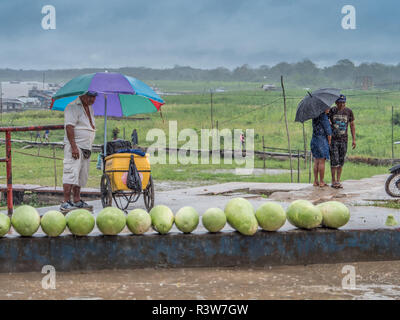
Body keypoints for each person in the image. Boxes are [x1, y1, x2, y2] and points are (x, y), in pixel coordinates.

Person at [60, 91, 97, 213]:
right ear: (83, 95)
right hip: (75, 146)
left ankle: (77, 199)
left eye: (94, 97)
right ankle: (65, 202)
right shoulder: (72, 107)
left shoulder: (89, 108)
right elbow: (69, 127)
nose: (92, 99)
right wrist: (74, 147)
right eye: (90, 96)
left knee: (81, 175)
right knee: (71, 173)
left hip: (86, 147)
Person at [328, 95, 356, 189]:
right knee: (334, 161)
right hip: (334, 140)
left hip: (344, 140)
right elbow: (327, 121)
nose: (342, 104)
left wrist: (354, 139)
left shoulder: (349, 111)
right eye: (340, 102)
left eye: (343, 102)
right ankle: (333, 181)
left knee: (341, 161)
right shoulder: (332, 111)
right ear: (336, 103)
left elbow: (352, 125)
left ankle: (338, 181)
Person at [310, 109, 332, 187]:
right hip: (322, 140)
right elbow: (328, 132)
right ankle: (321, 181)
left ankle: (315, 181)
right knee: (322, 161)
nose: (329, 109)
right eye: (328, 107)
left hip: (314, 139)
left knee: (316, 161)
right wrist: (329, 142)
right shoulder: (324, 117)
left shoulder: (315, 116)